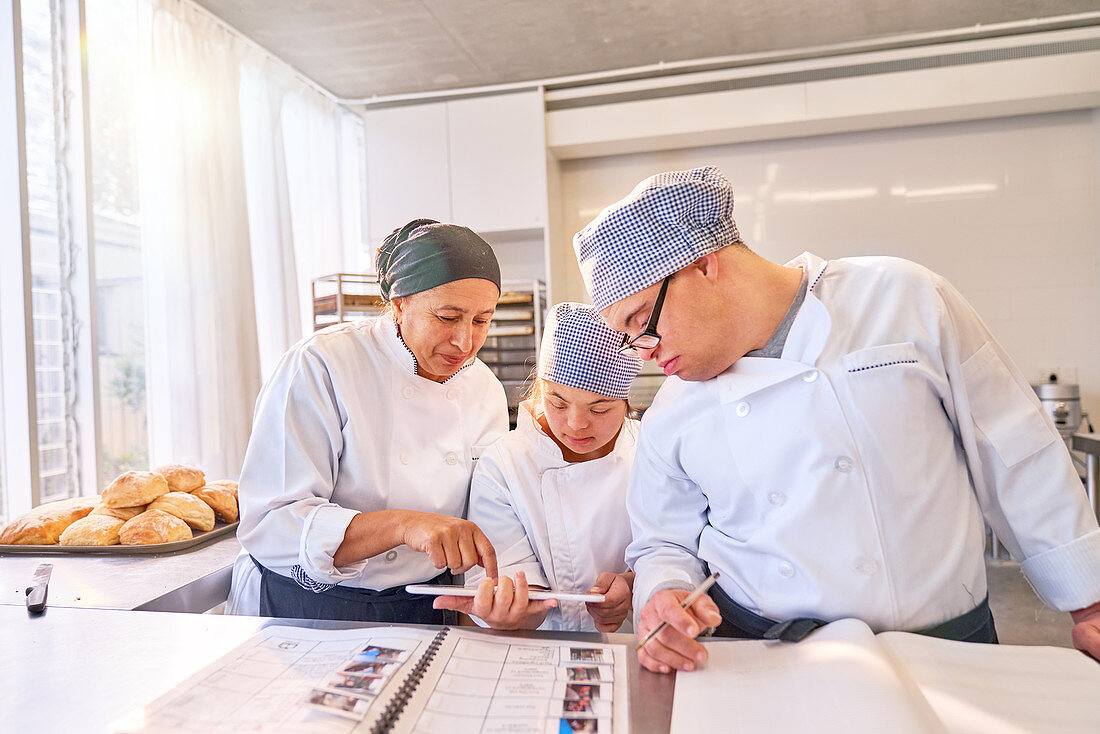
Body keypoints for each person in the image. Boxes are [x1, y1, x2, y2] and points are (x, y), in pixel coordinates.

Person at [573, 165, 1100, 673]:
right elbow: (664, 540)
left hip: (948, 652)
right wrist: (665, 592)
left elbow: (1011, 447)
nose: (640, 351)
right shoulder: (674, 408)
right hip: (768, 663)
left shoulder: (904, 298)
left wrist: (1089, 600)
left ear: (704, 264)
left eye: (641, 319)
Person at [227, 218, 507, 621]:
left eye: (482, 320)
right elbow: (272, 525)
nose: (465, 341)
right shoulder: (322, 364)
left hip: (425, 605)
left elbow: (487, 516)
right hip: (310, 603)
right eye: (448, 317)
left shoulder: (484, 388)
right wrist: (402, 525)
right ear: (399, 303)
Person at [434, 303, 643, 632]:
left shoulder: (649, 454)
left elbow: (676, 553)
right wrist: (510, 609)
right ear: (541, 387)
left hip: (632, 644)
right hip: (538, 652)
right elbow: (513, 586)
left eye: (600, 408)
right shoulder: (504, 465)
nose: (575, 424)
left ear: (626, 400)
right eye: (558, 402)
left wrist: (632, 586)